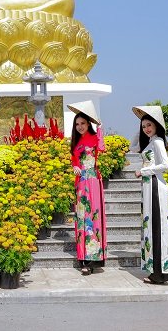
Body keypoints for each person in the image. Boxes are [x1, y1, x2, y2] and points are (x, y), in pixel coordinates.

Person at [132, 105, 168, 284]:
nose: (146, 129)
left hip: (156, 185)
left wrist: (143, 171)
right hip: (150, 186)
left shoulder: (157, 142)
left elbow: (166, 165)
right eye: (144, 126)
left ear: (157, 124)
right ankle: (163, 270)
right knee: (154, 226)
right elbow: (133, 147)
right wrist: (140, 129)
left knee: (157, 227)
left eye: (149, 125)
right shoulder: (150, 142)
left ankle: (158, 273)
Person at [68, 100, 107, 275]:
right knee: (81, 218)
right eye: (77, 124)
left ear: (88, 123)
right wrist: (75, 167)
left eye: (83, 123)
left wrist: (100, 129)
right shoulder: (76, 143)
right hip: (81, 184)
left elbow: (102, 148)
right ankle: (83, 259)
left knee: (94, 217)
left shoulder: (94, 137)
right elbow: (74, 161)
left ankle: (93, 259)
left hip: (93, 182)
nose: (80, 127)